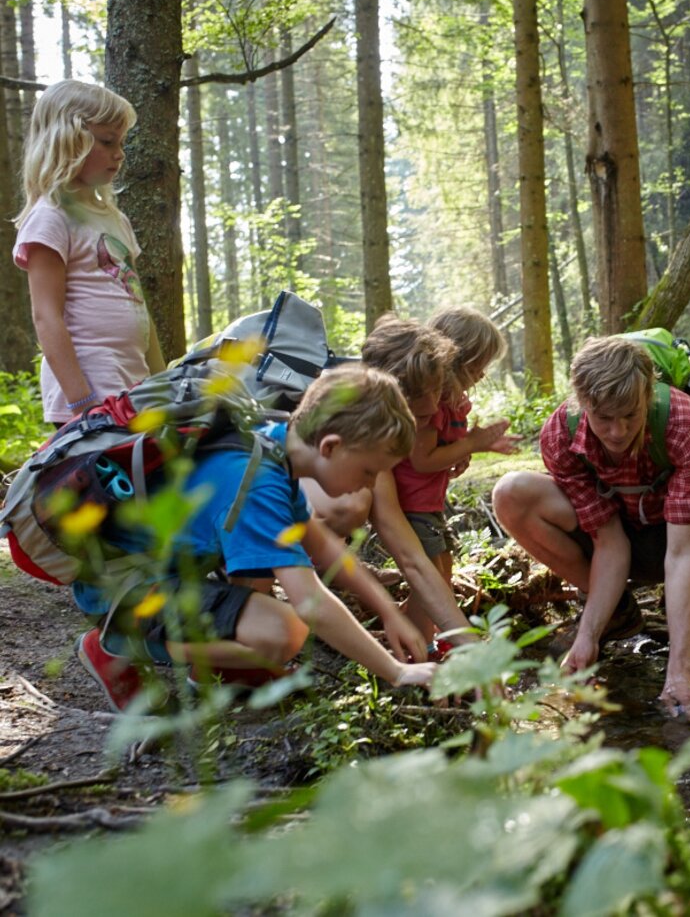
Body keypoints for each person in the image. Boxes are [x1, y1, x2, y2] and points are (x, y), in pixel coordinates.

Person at [75, 363, 437, 712]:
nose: (370, 484)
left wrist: (388, 611)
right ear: (330, 447)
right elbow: (312, 604)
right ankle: (117, 646)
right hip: (123, 589)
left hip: (148, 575)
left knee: (268, 575)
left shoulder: (274, 443)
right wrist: (396, 672)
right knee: (285, 631)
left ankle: (221, 664)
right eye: (368, 470)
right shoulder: (258, 485)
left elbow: (323, 546)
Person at [491, 335, 690, 721]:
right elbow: (609, 541)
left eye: (630, 416)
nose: (618, 432)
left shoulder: (684, 420)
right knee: (511, 492)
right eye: (604, 418)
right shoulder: (560, 434)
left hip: (678, 536)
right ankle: (615, 612)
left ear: (649, 395)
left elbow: (682, 548)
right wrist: (587, 639)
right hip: (614, 538)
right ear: (582, 404)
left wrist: (679, 670)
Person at [301, 315, 475, 651]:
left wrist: (469, 644)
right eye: (418, 417)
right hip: (257, 536)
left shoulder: (387, 431)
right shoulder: (343, 429)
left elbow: (411, 556)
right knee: (348, 505)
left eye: (431, 412)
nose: (424, 426)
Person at [13, 80, 164, 426]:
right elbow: (46, 317)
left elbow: (138, 305)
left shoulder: (115, 219)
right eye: (108, 141)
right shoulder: (50, 216)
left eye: (121, 142)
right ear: (67, 141)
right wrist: (83, 404)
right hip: (89, 395)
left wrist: (160, 382)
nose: (120, 153)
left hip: (132, 388)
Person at [396, 305, 519, 591]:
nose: (482, 375)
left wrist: (466, 450)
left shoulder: (450, 402)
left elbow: (440, 454)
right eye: (478, 367)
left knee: (443, 572)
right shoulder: (431, 405)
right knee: (431, 580)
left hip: (426, 503)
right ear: (456, 360)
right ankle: (423, 633)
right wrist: (471, 443)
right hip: (411, 503)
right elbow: (423, 461)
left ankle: (434, 630)